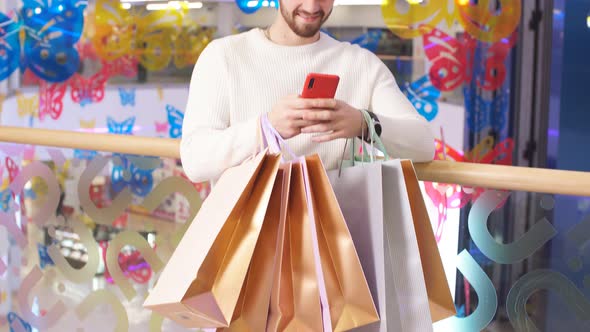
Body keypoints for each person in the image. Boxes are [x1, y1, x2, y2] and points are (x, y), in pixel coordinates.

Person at [180, 0, 435, 183]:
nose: (312, 7)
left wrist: (364, 123)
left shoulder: (361, 64)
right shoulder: (224, 56)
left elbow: (423, 144)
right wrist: (265, 128)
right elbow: (194, 160)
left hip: (329, 242)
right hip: (246, 242)